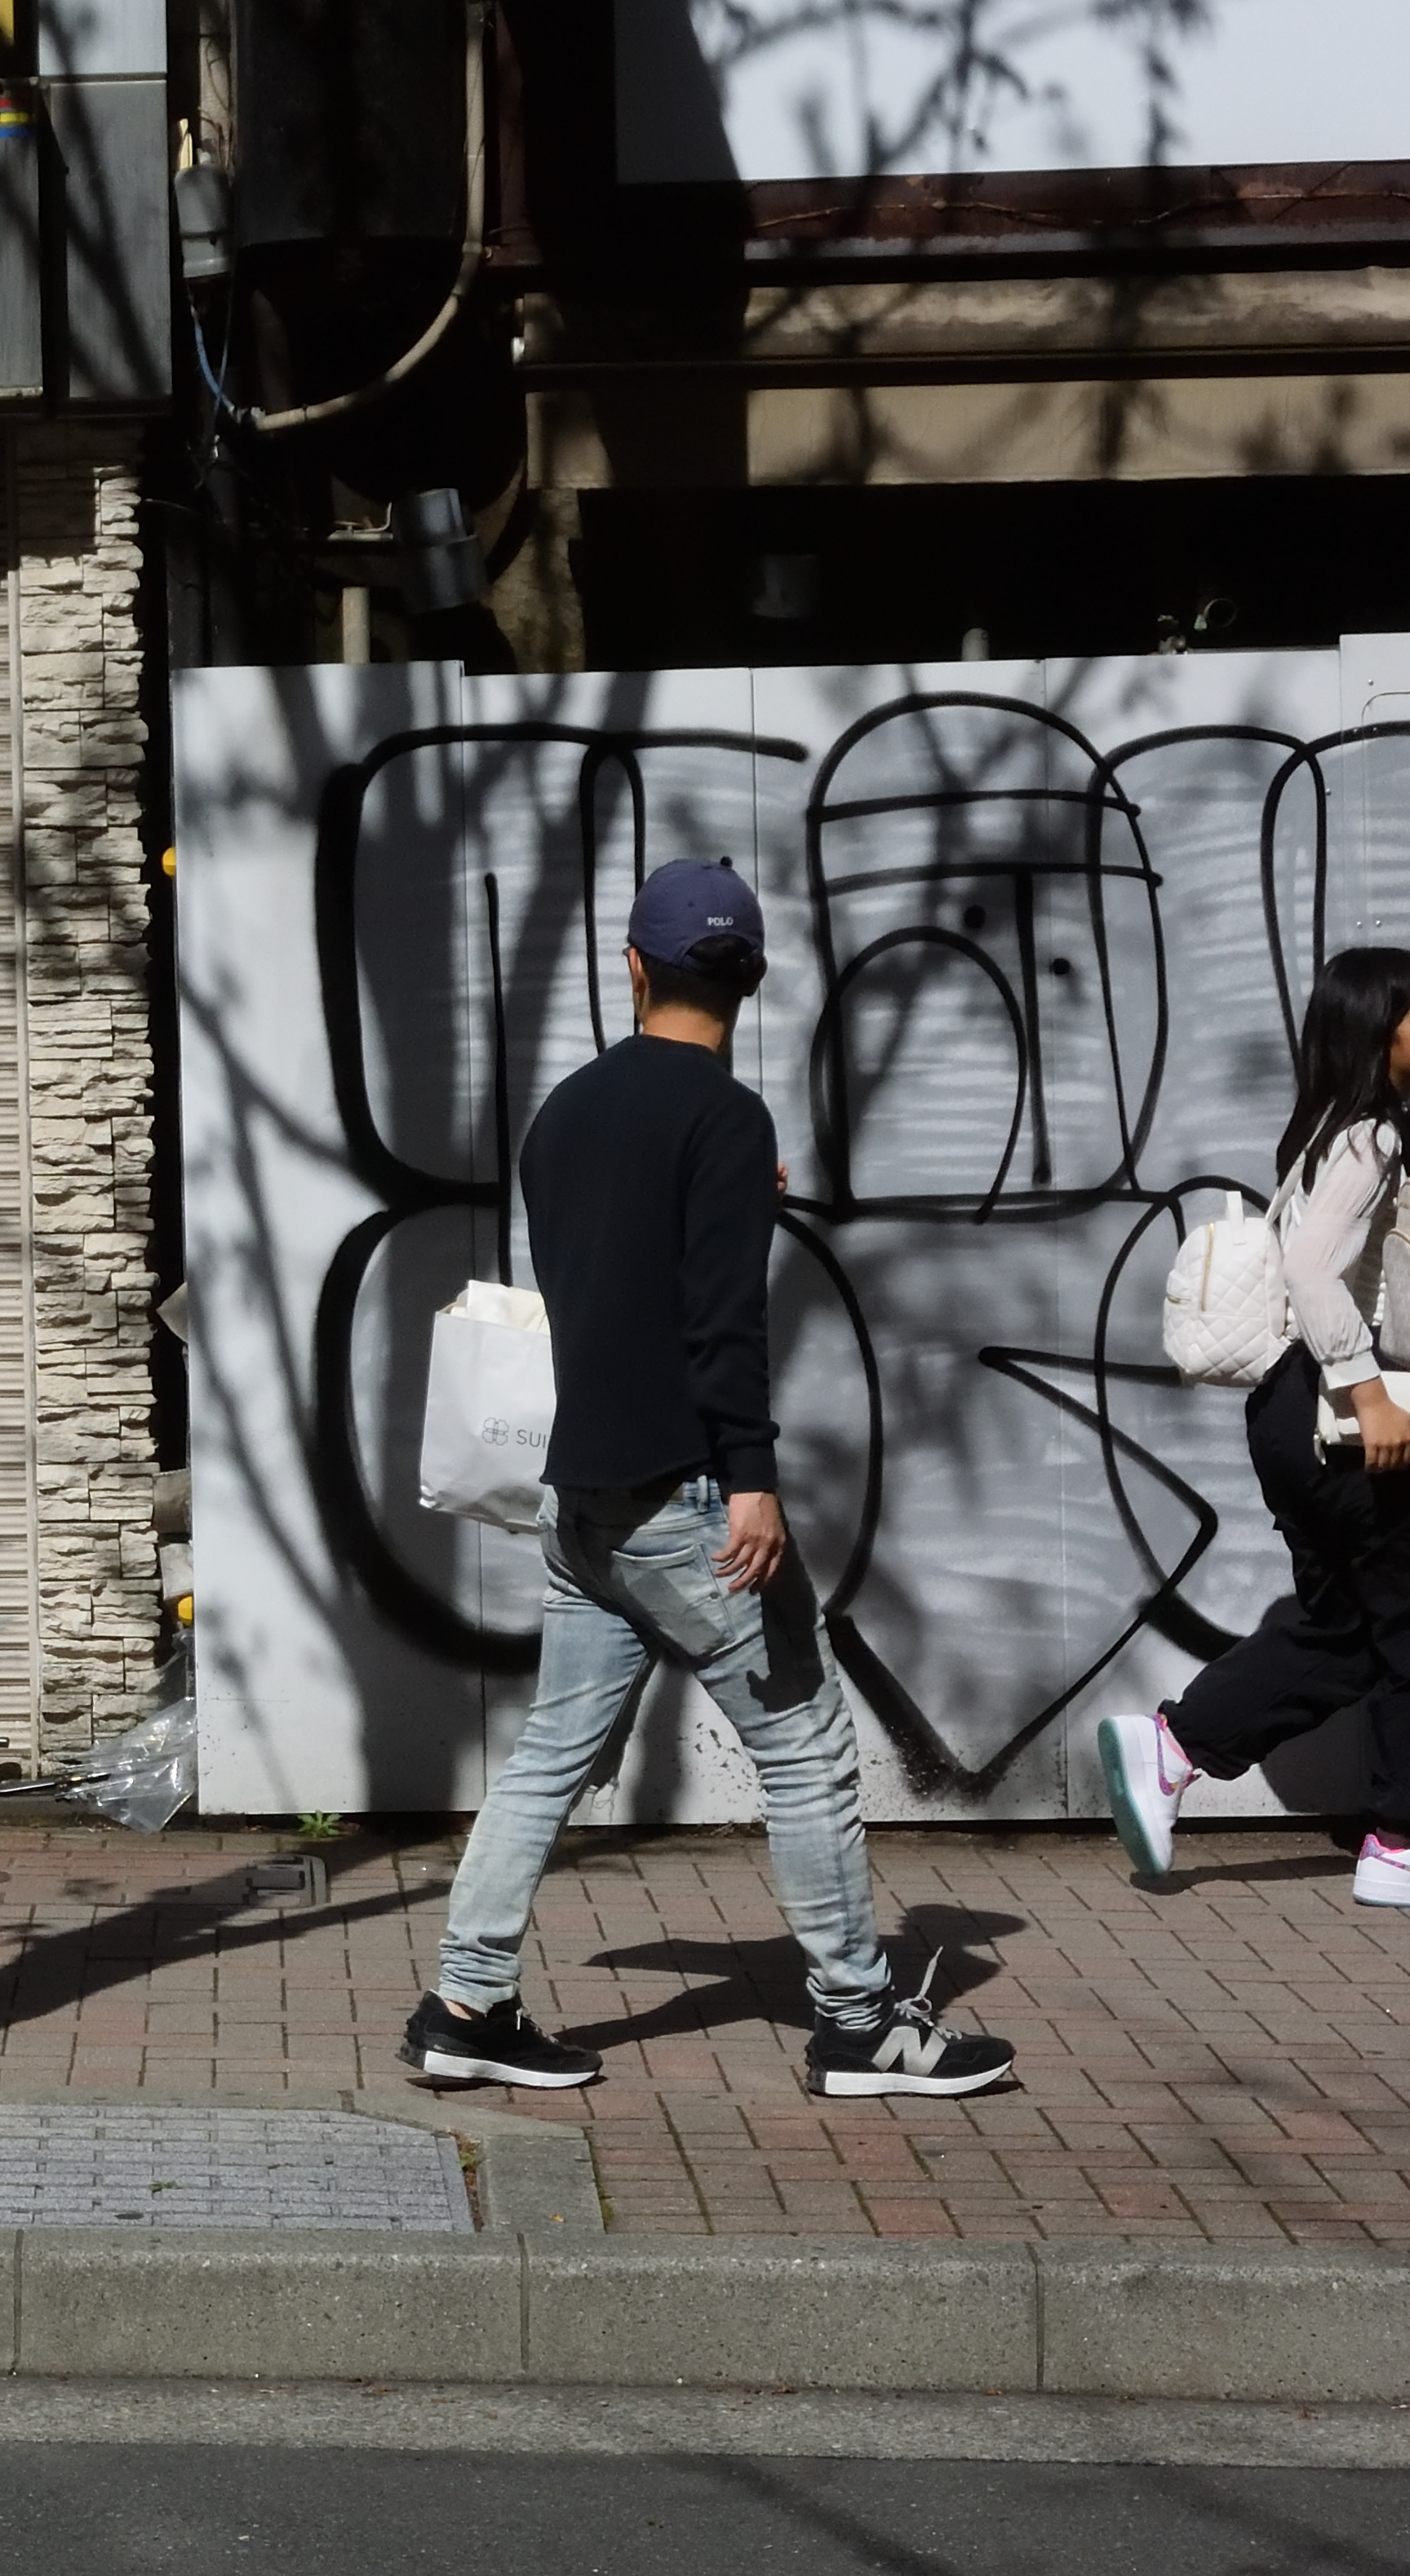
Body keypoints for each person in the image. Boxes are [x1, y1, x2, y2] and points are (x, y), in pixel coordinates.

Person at [398, 859, 1018, 2101]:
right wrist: (752, 1479)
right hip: (686, 1495)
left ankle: (466, 2001)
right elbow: (717, 1321)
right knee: (806, 1750)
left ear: (634, 965)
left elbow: (614, 1274)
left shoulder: (565, 1113)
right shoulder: (727, 1120)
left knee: (548, 1759)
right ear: (756, 977)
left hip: (584, 1502)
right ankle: (858, 2020)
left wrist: (737, 1203)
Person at [1098, 950, 1410, 1908]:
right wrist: (1368, 1395)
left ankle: (1177, 1745)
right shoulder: (1369, 1139)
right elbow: (1317, 1272)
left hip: (1289, 1414)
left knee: (1351, 1624)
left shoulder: (1331, 1130)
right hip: (1341, 1418)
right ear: (1377, 1029)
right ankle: (1405, 1841)